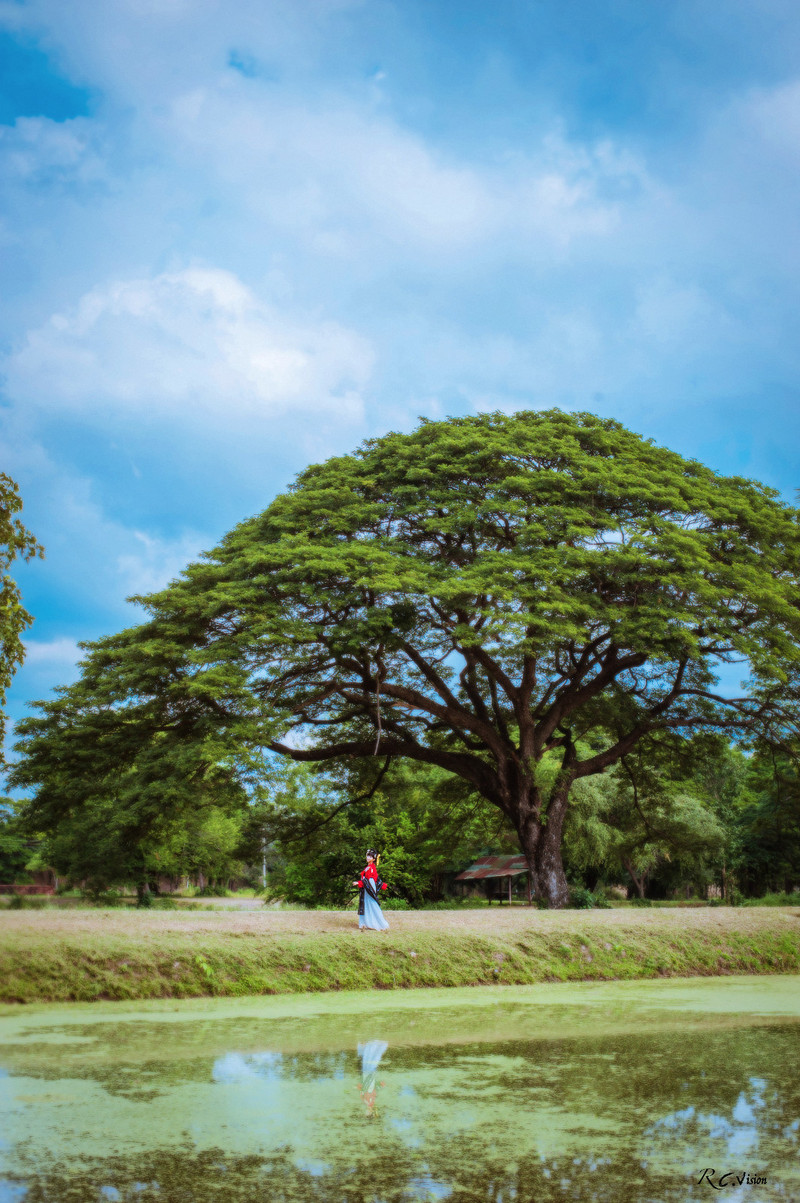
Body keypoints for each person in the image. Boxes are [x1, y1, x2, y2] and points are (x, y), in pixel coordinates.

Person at [354, 849, 389, 931]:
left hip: (369, 889)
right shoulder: (368, 867)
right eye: (367, 856)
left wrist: (359, 883)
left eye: (370, 856)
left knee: (372, 904)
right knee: (367, 904)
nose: (368, 858)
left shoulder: (371, 868)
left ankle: (379, 923)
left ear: (374, 859)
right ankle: (366, 923)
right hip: (366, 889)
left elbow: (370, 880)